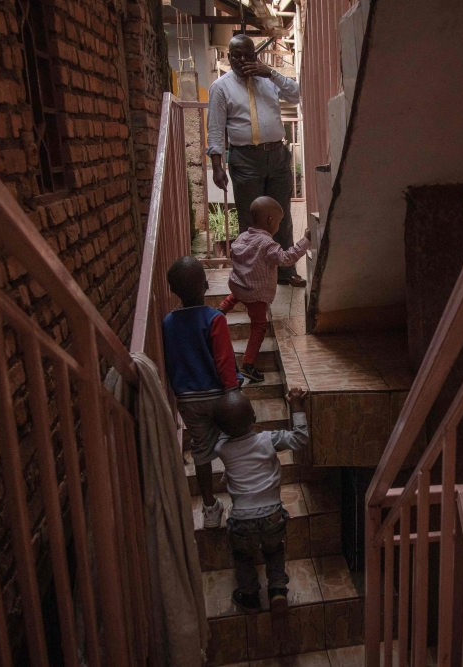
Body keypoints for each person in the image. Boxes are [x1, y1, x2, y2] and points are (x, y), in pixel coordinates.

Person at [207, 33, 306, 288]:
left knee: (280, 215)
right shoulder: (221, 87)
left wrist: (270, 72)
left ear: (255, 56)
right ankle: (251, 276)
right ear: (229, 58)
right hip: (245, 160)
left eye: (248, 55)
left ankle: (286, 272)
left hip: (277, 156)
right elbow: (216, 129)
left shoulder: (268, 80)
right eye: (236, 55)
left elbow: (296, 95)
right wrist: (217, 167)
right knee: (250, 220)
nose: (242, 60)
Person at [212, 387, 309, 614]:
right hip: (273, 514)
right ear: (254, 417)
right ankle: (277, 590)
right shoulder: (268, 440)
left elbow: (225, 430)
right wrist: (296, 406)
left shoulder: (221, 449)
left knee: (243, 556)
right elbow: (300, 439)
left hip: (242, 519)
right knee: (274, 551)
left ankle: (249, 595)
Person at [162, 256, 241, 528]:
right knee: (236, 443)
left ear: (174, 292)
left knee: (202, 452)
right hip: (219, 396)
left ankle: (209, 509)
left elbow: (171, 362)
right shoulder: (214, 319)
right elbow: (224, 360)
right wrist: (233, 392)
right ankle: (241, 498)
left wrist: (179, 394)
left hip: (188, 399)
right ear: (206, 284)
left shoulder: (168, 323)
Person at [219, 196, 310, 383]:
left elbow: (233, 252)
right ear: (270, 221)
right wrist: (305, 241)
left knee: (239, 292)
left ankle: (221, 310)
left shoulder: (243, 236)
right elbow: (286, 258)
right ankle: (248, 364)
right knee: (259, 327)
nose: (278, 225)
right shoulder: (268, 244)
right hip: (255, 296)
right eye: (278, 221)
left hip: (238, 286)